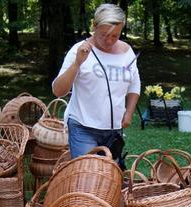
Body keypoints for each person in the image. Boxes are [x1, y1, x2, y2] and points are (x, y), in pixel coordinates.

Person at [52, 3, 141, 159]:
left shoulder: (127, 52)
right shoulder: (79, 50)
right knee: (88, 178)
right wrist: (77, 63)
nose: (109, 40)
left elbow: (134, 83)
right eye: (104, 35)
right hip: (83, 127)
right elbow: (58, 91)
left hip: (114, 130)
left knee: (109, 178)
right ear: (94, 26)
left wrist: (129, 112)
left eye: (115, 35)